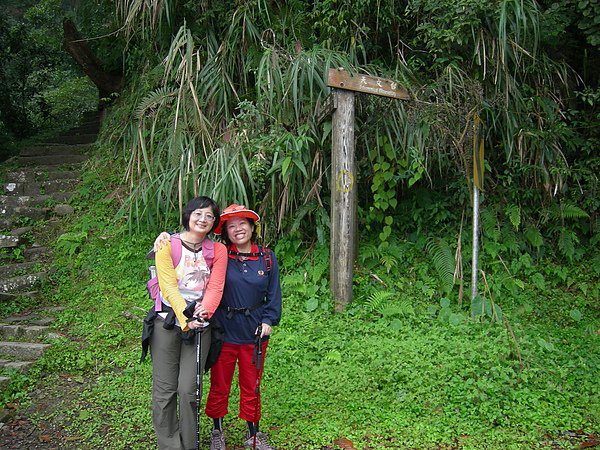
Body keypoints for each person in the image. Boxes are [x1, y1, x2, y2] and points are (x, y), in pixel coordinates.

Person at [154, 204, 282, 450]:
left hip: (254, 330)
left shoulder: (266, 257)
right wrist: (166, 236)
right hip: (224, 327)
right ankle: (217, 430)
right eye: (231, 226)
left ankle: (253, 432)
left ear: (253, 227)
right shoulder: (221, 254)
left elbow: (273, 293)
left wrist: (268, 320)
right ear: (224, 232)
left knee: (252, 382)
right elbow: (195, 257)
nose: (238, 229)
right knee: (220, 383)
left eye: (243, 223)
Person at [147, 196, 227, 450]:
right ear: (188, 215)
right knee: (165, 390)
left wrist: (205, 310)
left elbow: (216, 286)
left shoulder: (219, 250)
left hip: (201, 323)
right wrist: (185, 317)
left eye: (209, 216)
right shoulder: (166, 245)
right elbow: (168, 285)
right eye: (198, 214)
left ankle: (190, 443)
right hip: (167, 322)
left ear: (214, 222)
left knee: (188, 389)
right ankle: (170, 445)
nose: (203, 219)